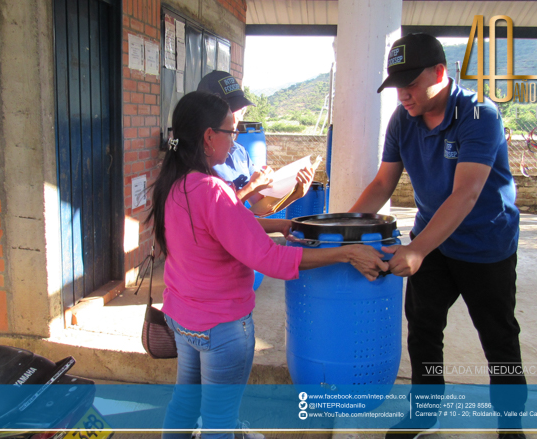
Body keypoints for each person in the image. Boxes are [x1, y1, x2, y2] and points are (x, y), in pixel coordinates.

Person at [149, 91, 388, 439]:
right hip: (221, 329)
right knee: (218, 422)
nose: (235, 140)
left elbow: (218, 228)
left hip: (183, 321)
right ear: (208, 137)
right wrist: (346, 253)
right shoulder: (214, 190)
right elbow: (270, 259)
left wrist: (279, 224)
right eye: (231, 131)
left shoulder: (174, 184)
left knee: (184, 406)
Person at [348, 34, 527, 439]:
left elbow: (467, 193)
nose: (403, 95)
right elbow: (382, 182)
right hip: (435, 240)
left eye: (410, 84)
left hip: (487, 244)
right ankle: (425, 413)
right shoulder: (402, 120)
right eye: (397, 86)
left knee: (498, 337)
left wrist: (416, 249)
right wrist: (347, 232)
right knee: (424, 328)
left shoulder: (480, 115)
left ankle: (511, 425)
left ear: (440, 73)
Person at [196, 71, 314, 212]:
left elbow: (260, 208)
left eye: (239, 111)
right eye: (228, 111)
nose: (234, 119)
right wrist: (251, 187)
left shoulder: (240, 153)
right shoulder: (198, 161)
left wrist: (295, 194)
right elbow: (215, 214)